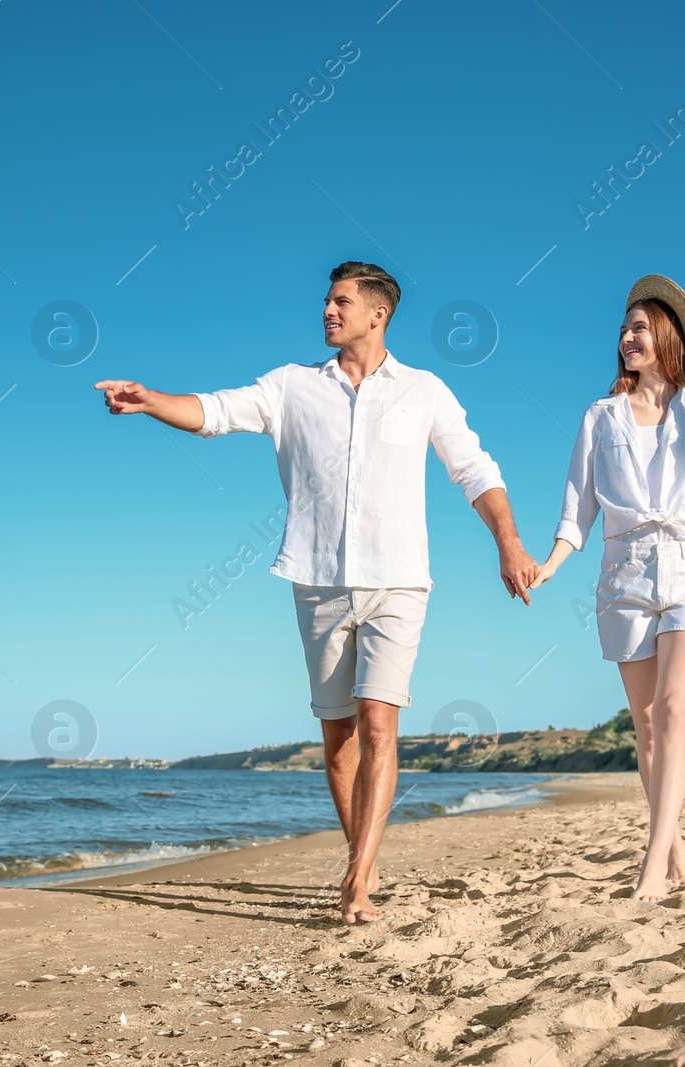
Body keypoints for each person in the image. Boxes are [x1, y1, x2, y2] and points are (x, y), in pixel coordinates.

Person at [94, 261, 538, 923]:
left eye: (340, 302)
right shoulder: (292, 386)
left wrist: (508, 539)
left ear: (377, 314)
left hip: (398, 579)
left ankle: (356, 882)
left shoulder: (424, 391)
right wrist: (149, 399)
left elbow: (474, 468)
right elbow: (216, 412)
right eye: (328, 301)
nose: (328, 311)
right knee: (338, 740)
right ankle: (364, 852)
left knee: (381, 724)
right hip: (318, 581)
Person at [528, 275, 685, 903]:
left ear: (670, 338)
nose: (628, 337)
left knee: (677, 712)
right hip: (623, 575)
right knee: (647, 727)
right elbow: (578, 509)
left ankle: (651, 866)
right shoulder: (600, 417)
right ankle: (673, 848)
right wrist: (550, 564)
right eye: (624, 328)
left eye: (641, 328)